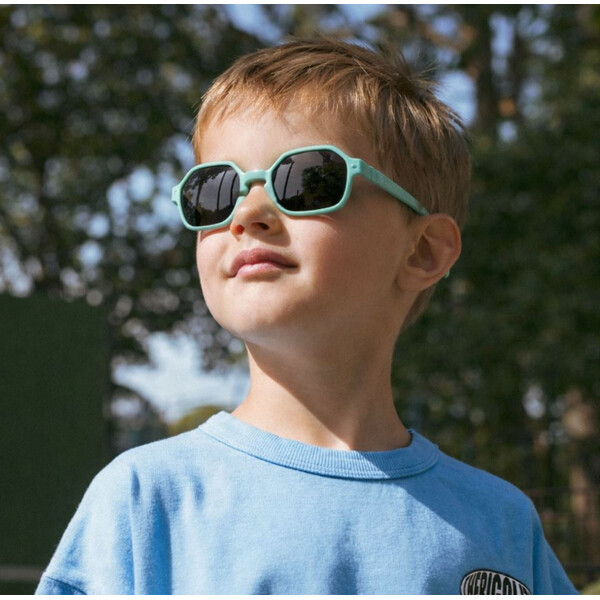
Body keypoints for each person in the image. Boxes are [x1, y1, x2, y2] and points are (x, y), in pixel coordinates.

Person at [36, 38, 578, 595]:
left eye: (306, 180)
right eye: (214, 192)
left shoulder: (503, 525)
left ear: (422, 252)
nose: (246, 214)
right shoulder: (145, 502)